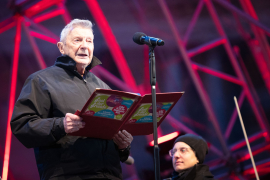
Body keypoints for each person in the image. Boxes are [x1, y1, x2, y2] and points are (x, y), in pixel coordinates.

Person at [10, 19, 133, 180]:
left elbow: (107, 135)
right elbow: (21, 125)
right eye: (77, 40)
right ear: (61, 47)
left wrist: (122, 146)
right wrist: (60, 125)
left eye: (89, 41)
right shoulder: (41, 81)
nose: (84, 45)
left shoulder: (102, 86)